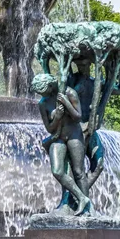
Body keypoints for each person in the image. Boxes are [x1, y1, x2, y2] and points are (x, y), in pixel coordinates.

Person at [31, 73, 90, 216]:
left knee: (78, 172)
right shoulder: (43, 103)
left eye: (43, 92)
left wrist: (66, 103)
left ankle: (86, 210)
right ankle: (82, 198)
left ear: (51, 87)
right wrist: (56, 117)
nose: (41, 95)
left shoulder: (69, 93)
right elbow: (49, 128)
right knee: (57, 171)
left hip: (74, 136)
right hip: (58, 138)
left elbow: (77, 117)